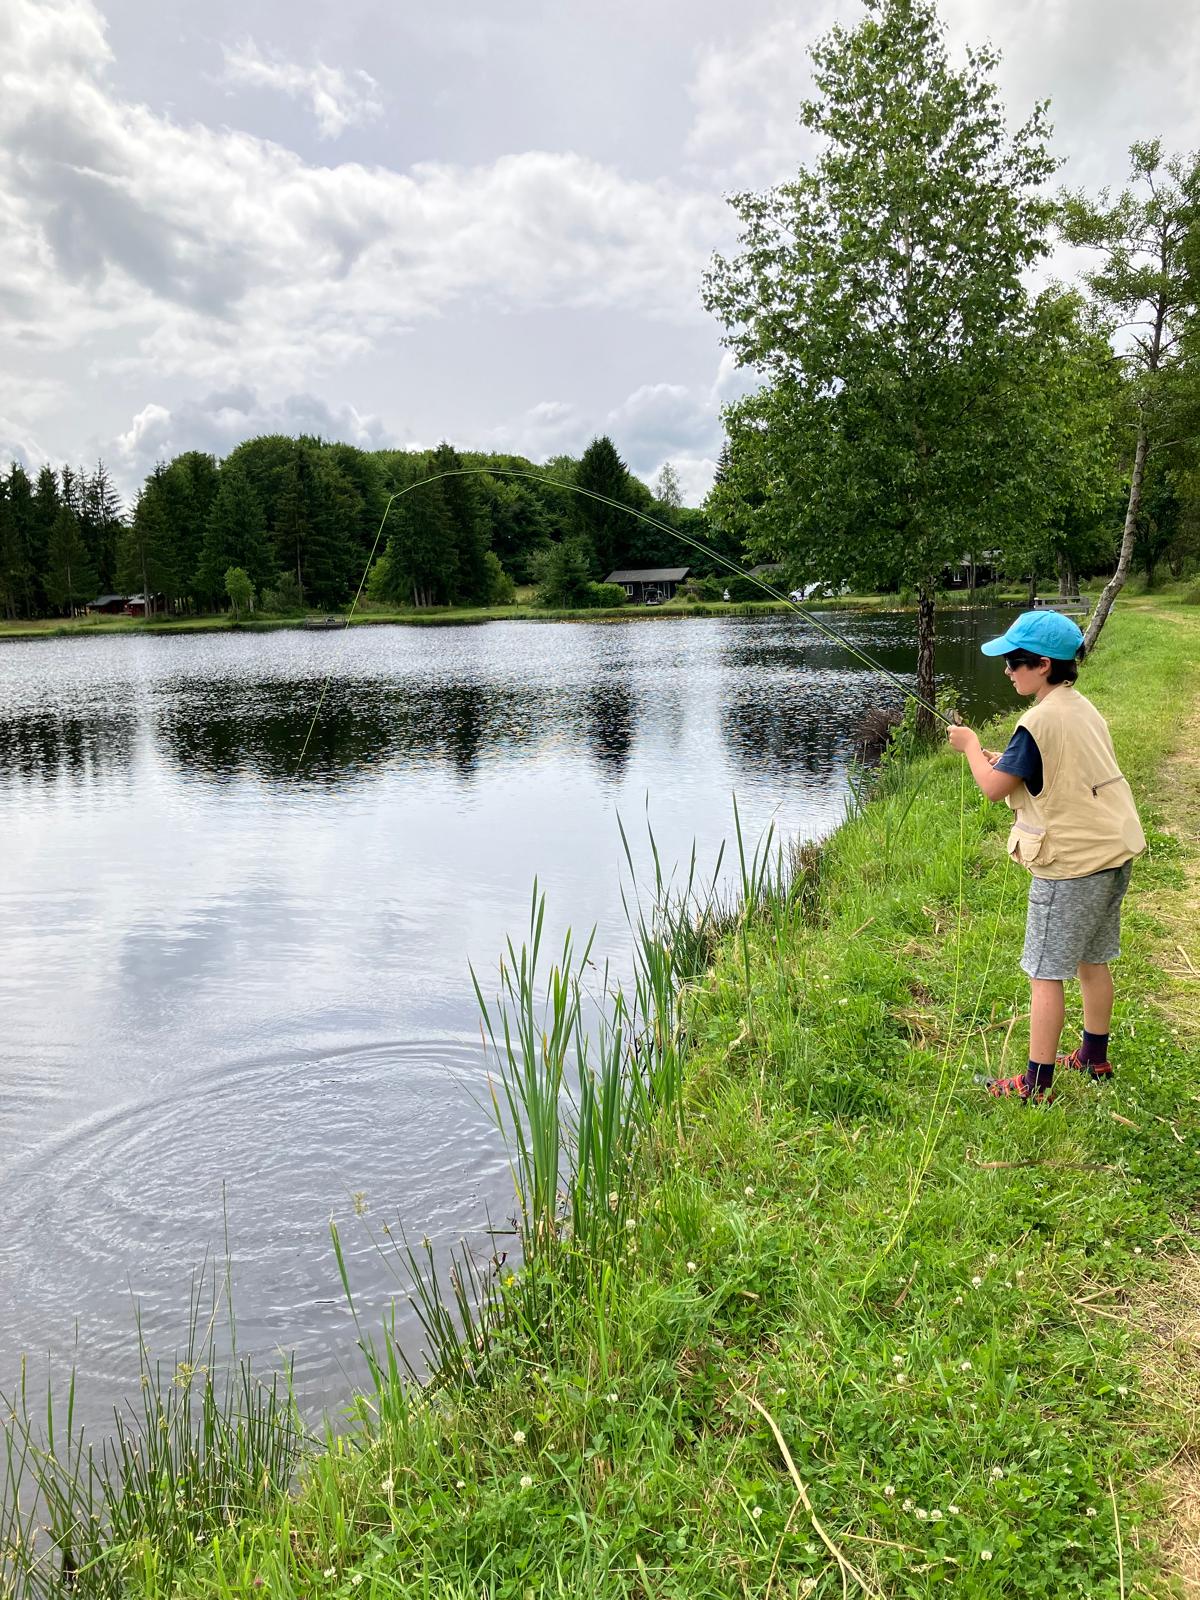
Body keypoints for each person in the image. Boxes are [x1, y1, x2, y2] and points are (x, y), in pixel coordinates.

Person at [946, 611, 1145, 1104]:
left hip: (1072, 866)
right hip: (1112, 853)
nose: (1007, 671)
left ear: (1043, 665)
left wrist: (970, 746)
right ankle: (1094, 1057)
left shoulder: (1036, 720)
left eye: (1015, 662)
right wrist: (1005, 758)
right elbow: (1053, 767)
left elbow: (993, 789)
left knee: (1045, 972)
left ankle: (1036, 1085)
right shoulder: (1078, 706)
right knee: (1092, 959)